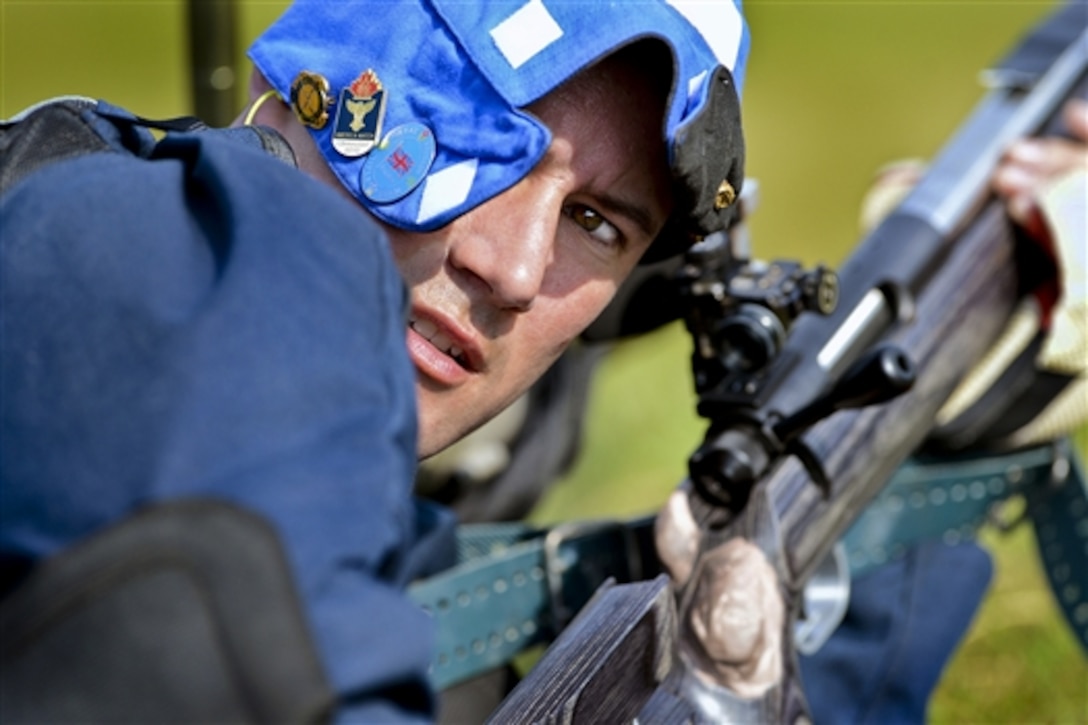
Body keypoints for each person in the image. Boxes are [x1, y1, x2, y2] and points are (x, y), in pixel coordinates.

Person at [0, 0, 749, 721]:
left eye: (595, 223)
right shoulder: (132, 266)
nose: (517, 272)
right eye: (487, 131)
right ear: (294, 83)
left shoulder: (414, 575)